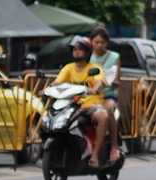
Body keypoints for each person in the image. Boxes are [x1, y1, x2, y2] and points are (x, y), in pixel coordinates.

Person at [51, 36, 120, 166]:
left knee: (103, 115)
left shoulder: (94, 68)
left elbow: (99, 80)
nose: (76, 52)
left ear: (87, 52)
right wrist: (46, 90)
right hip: (72, 106)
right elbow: (57, 82)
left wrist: (95, 88)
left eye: (80, 49)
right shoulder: (68, 68)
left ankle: (95, 155)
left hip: (91, 105)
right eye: (74, 49)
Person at [88, 26, 120, 118]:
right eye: (96, 42)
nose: (99, 45)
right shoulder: (88, 57)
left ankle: (113, 132)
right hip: (90, 95)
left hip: (108, 95)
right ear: (91, 42)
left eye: (102, 42)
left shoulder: (115, 57)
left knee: (107, 110)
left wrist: (109, 82)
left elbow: (117, 80)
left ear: (107, 43)